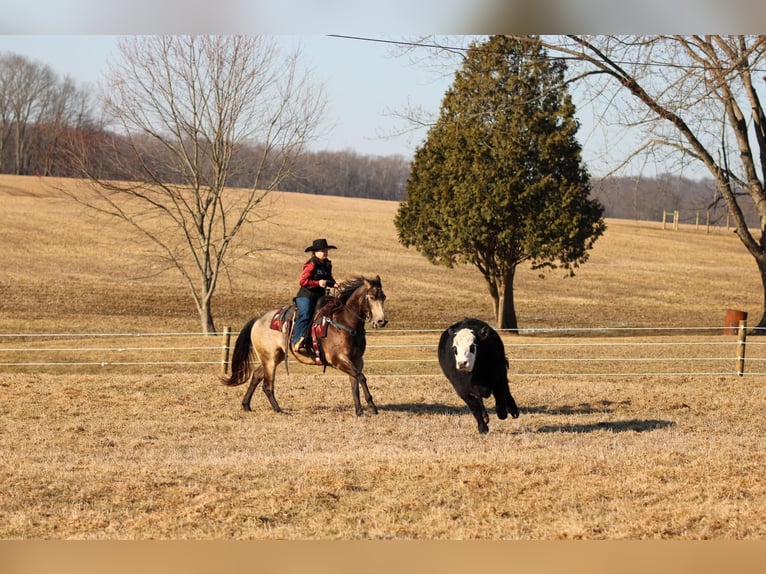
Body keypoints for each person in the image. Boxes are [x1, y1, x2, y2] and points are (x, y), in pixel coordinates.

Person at [292, 238, 337, 353]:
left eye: (326, 250)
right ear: (315, 252)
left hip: (320, 296)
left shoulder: (327, 264)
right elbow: (302, 281)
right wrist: (317, 283)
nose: (325, 252)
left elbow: (328, 279)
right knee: (306, 313)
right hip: (306, 295)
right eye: (322, 250)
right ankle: (296, 341)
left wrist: (334, 284)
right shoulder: (311, 264)